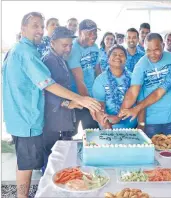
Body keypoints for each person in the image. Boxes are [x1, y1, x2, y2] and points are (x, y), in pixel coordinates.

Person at [2, 12, 101, 198]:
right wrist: (78, 100)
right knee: (28, 165)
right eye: (35, 26)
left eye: (41, 26)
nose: (40, 30)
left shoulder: (24, 50)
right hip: (27, 119)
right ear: (23, 29)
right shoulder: (27, 53)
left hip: (24, 118)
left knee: (26, 162)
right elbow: (47, 84)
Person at [119, 33, 171, 138]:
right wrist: (121, 114)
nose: (152, 54)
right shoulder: (141, 65)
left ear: (163, 45)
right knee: (151, 153)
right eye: (148, 50)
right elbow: (133, 91)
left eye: (156, 49)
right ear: (144, 47)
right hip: (150, 121)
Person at [41, 26, 81, 174]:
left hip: (63, 118)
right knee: (53, 162)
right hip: (53, 121)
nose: (68, 49)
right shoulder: (49, 60)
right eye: (65, 45)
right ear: (52, 43)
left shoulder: (60, 58)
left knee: (62, 161)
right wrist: (68, 103)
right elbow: (48, 90)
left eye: (70, 45)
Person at [67, 19, 102, 136]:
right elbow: (79, 80)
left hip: (91, 97)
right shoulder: (73, 49)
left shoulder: (95, 47)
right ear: (80, 32)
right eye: (89, 33)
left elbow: (98, 71)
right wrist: (91, 105)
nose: (93, 36)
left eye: (95, 32)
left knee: (92, 132)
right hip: (76, 99)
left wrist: (101, 94)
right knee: (70, 133)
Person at [93, 45, 138, 128]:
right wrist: (107, 125)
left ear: (126, 60)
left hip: (131, 127)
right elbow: (99, 106)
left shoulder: (134, 78)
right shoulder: (100, 80)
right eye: (114, 54)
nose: (118, 56)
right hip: (108, 126)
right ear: (108, 59)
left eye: (121, 55)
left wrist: (141, 125)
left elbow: (140, 103)